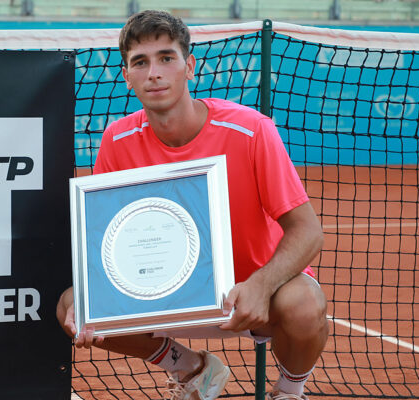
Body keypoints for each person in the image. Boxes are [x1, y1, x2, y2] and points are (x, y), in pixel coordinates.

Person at [56, 10, 329, 400]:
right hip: (162, 298)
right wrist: (90, 303)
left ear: (190, 67)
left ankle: (289, 392)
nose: (154, 72)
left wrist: (260, 284)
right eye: (141, 62)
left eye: (167, 58)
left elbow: (308, 230)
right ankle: (192, 369)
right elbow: (106, 243)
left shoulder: (251, 130)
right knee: (74, 305)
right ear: (127, 76)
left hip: (251, 300)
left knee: (305, 302)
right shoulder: (116, 140)